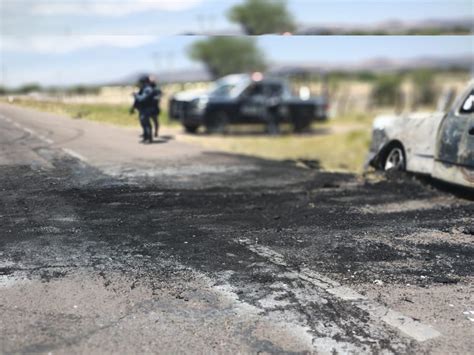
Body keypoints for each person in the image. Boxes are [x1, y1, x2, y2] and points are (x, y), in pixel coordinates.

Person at [130, 75, 155, 143]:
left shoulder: (148, 89)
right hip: (142, 109)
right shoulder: (143, 89)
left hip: (147, 108)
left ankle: (149, 138)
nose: (140, 84)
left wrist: (135, 95)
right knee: (143, 123)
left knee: (146, 123)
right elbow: (138, 100)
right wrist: (133, 108)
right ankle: (145, 137)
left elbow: (142, 99)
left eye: (141, 82)